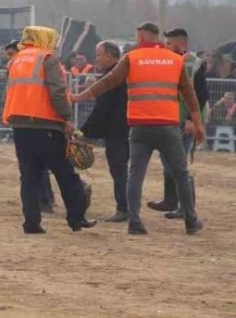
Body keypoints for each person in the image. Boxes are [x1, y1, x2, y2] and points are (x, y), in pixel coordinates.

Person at [74, 22, 205, 235]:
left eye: (137, 37)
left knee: (135, 174)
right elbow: (189, 94)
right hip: (168, 126)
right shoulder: (175, 60)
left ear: (143, 37)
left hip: (139, 126)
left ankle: (134, 221)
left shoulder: (132, 58)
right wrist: (197, 124)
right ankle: (190, 220)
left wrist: (79, 96)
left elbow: (108, 82)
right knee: (181, 174)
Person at [3, 26, 95, 234]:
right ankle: (76, 217)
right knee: (65, 174)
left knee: (29, 176)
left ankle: (32, 222)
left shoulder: (15, 60)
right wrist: (67, 117)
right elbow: (57, 91)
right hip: (46, 124)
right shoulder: (48, 58)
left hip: (20, 125)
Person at [150, 28, 209, 220]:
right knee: (168, 159)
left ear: (180, 44)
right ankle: (170, 200)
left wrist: (193, 120)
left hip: (186, 120)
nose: (165, 46)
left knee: (178, 163)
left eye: (168, 43)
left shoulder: (193, 63)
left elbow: (201, 93)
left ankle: (185, 207)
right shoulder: (172, 61)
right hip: (172, 118)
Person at [4, 40, 56, 213]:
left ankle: (42, 203)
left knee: (33, 166)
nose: (9, 59)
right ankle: (46, 200)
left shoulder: (23, 65)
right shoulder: (34, 63)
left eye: (11, 54)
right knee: (44, 164)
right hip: (35, 119)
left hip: (32, 120)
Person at [80, 40, 130, 222]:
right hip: (132, 127)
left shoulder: (112, 77)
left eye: (99, 55)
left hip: (118, 130)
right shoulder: (124, 73)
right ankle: (129, 207)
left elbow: (101, 108)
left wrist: (84, 132)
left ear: (109, 56)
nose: (96, 59)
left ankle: (124, 208)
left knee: (119, 169)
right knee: (129, 170)